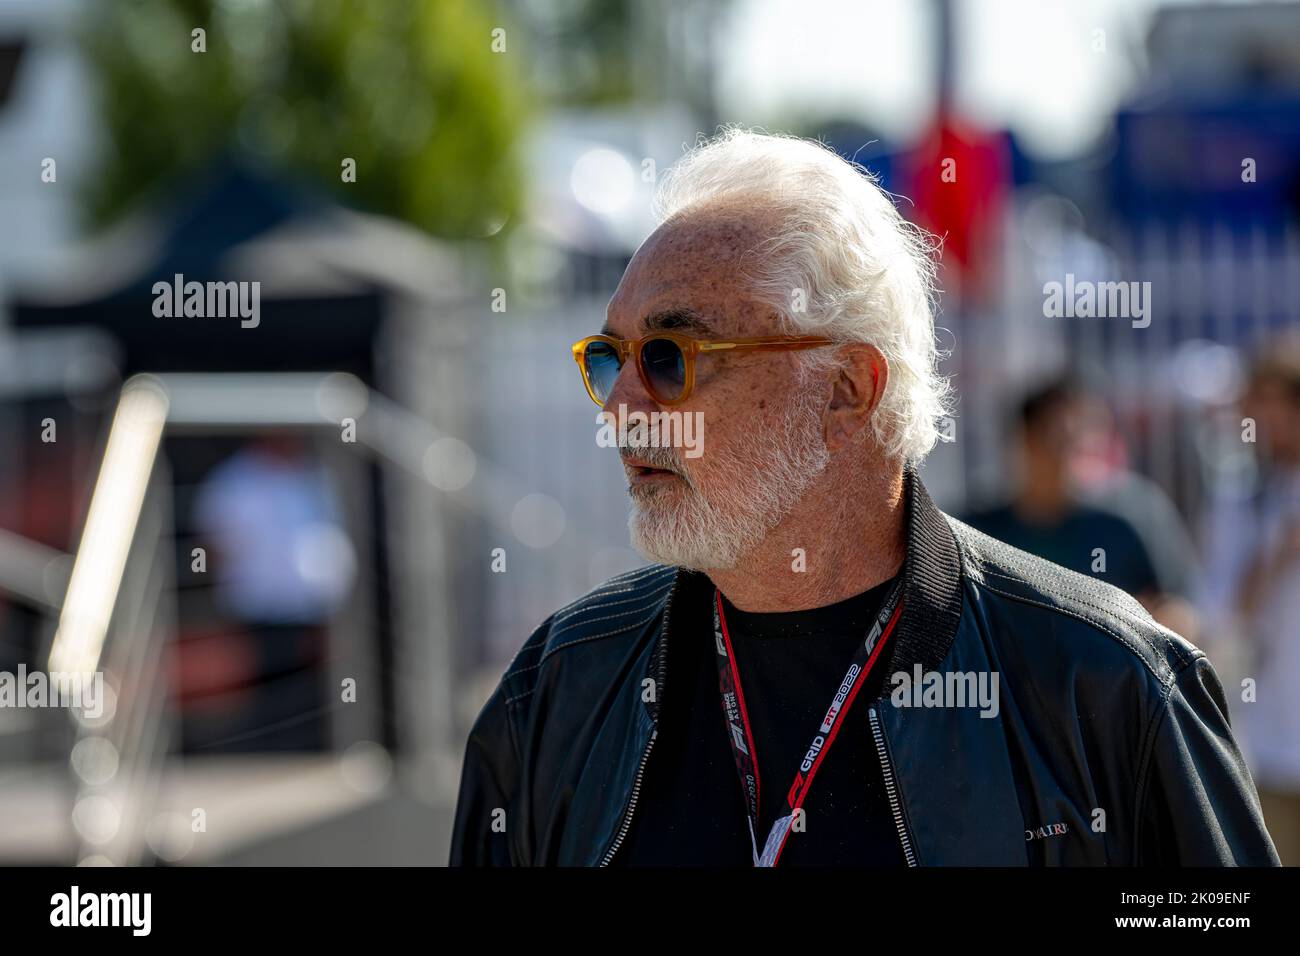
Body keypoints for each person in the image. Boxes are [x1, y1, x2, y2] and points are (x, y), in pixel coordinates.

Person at [449, 128, 1277, 866]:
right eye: (608, 361)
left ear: (847, 389)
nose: (622, 409)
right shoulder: (559, 688)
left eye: (669, 357)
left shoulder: (1107, 685)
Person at [964, 378, 1200, 638]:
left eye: (1083, 438)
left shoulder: (1129, 522)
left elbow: (1181, 615)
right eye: (1056, 438)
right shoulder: (977, 533)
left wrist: (1140, 630)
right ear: (1023, 440)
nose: (1067, 453)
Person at [1197, 343, 1300, 864]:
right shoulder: (1241, 497)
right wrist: (1278, 557)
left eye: (1275, 405)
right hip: (1274, 742)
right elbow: (1222, 613)